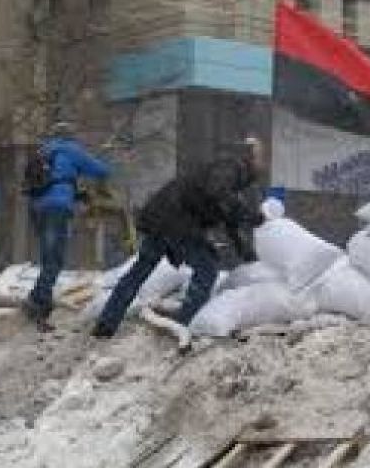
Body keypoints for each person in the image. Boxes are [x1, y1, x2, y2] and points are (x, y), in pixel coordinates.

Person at [91, 138, 266, 347]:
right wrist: (251, 215)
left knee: (139, 271)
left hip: (160, 218)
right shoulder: (230, 167)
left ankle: (106, 324)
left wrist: (248, 255)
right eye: (259, 156)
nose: (262, 163)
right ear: (248, 157)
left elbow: (230, 221)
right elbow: (217, 192)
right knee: (207, 267)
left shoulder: (227, 174)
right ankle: (184, 322)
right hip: (176, 222)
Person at [24, 121, 111, 330]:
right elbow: (101, 170)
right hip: (56, 209)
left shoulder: (44, 150)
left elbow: (51, 182)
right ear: (70, 136)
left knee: (48, 258)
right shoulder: (71, 149)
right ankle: (37, 303)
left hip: (36, 208)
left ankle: (40, 302)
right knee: (55, 260)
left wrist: (76, 193)